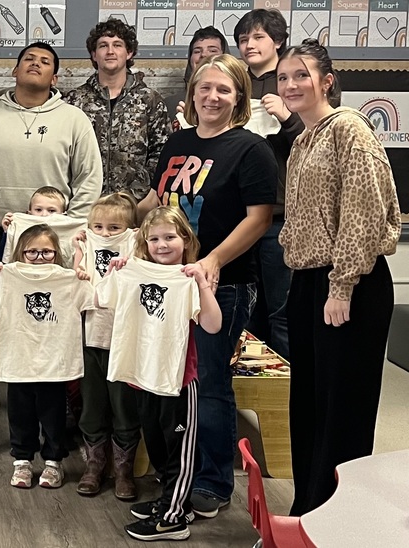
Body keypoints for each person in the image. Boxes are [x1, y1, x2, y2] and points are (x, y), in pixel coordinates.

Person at [137, 53, 277, 519]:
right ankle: (178, 474)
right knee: (174, 383)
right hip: (171, 285)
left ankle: (213, 483)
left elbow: (259, 219)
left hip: (224, 285)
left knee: (210, 385)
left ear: (239, 97)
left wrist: (214, 259)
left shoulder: (250, 148)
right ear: (192, 93)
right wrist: (107, 225)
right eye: (204, 87)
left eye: (223, 89)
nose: (212, 96)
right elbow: (158, 203)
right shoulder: (176, 143)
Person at [277, 39, 400, 516]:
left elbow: (363, 213)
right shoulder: (304, 138)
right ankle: (308, 510)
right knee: (309, 406)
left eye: (301, 75)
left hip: (349, 284)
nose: (290, 85)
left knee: (341, 411)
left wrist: (342, 285)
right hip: (311, 283)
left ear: (326, 81)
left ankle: (339, 518)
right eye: (284, 77)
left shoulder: (349, 129)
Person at [97, 206, 222, 542]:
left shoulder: (188, 278)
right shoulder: (134, 271)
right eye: (153, 238)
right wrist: (114, 271)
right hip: (142, 377)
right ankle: (171, 500)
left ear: (185, 239)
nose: (161, 244)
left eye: (170, 237)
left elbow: (212, 324)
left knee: (179, 448)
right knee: (157, 444)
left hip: (177, 381)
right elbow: (101, 299)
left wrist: (202, 284)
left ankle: (173, 518)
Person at [0, 225, 91, 489]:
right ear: (21, 253)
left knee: (53, 416)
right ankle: (22, 460)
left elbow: (92, 300)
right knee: (20, 415)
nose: (40, 258)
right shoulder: (7, 276)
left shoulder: (68, 279)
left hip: (55, 362)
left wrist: (82, 277)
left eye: (47, 253)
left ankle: (53, 463)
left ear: (57, 254)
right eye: (32, 253)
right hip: (19, 361)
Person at [0, 42, 103, 224]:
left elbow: (89, 178)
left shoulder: (74, 118)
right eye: (29, 59)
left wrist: (71, 223)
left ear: (54, 79)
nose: (35, 63)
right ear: (15, 71)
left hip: (51, 229)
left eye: (45, 62)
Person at [235, 8, 305, 361]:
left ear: (278, 40)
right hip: (240, 214)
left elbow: (317, 143)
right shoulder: (234, 83)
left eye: (258, 37)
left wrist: (288, 118)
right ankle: (249, 388)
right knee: (244, 311)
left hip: (282, 216)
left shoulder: (293, 83)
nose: (250, 44)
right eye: (244, 39)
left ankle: (289, 399)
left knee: (282, 311)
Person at [72, 192, 141, 500]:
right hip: (89, 339)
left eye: (114, 228)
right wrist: (77, 256)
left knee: (124, 406)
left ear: (130, 231)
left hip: (123, 342)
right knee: (92, 404)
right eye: (98, 227)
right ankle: (95, 464)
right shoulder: (85, 245)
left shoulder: (137, 247)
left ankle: (124, 470)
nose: (104, 234)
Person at [65, 18, 172, 202]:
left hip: (134, 205)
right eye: (103, 46)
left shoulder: (149, 100)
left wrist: (140, 192)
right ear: (93, 55)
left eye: (117, 45)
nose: (110, 51)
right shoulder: (75, 100)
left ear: (129, 53)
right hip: (85, 203)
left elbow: (163, 152)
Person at [164, 27, 228, 117]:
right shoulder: (170, 104)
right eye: (197, 51)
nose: (204, 55)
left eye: (213, 50)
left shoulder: (234, 102)